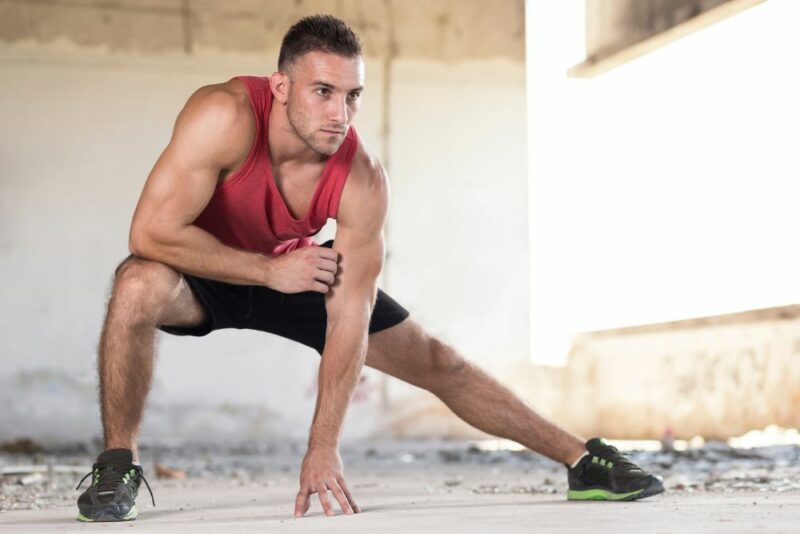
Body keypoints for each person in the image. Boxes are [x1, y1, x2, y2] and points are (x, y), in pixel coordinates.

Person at [75, 14, 664, 523]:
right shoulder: (224, 115)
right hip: (209, 269)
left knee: (439, 360)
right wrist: (265, 271)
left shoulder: (363, 178)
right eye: (322, 92)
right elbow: (149, 234)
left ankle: (583, 461)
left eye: (352, 95)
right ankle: (117, 468)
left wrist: (323, 445)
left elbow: (349, 316)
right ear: (280, 87)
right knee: (135, 284)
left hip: (300, 270)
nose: (340, 114)